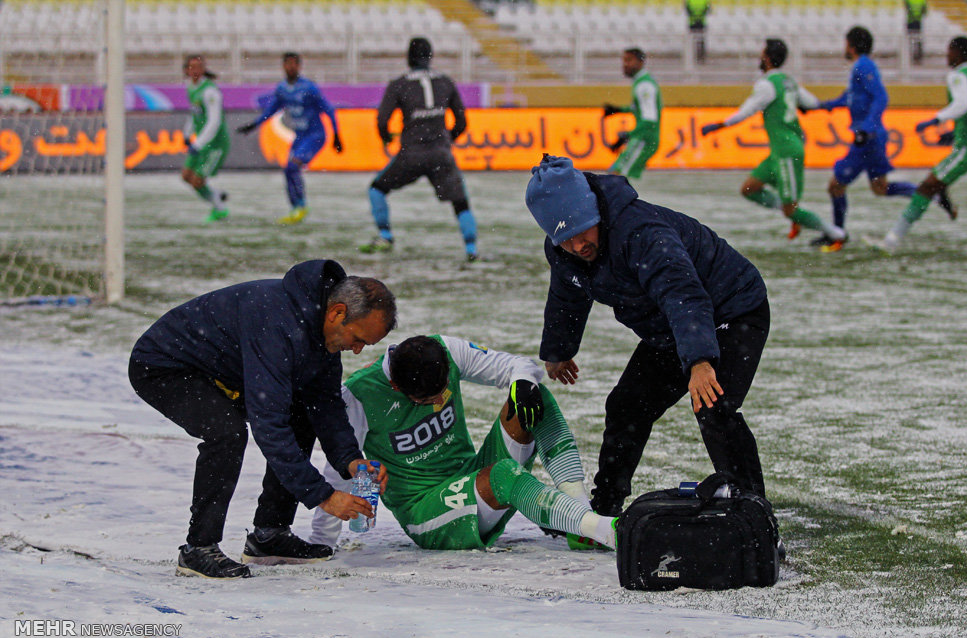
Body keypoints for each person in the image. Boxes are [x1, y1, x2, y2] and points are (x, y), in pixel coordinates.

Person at [525, 155, 771, 520]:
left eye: (582, 231)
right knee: (626, 405)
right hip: (671, 327)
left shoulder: (641, 232)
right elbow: (567, 295)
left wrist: (700, 361)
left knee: (713, 405)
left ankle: (753, 514)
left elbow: (682, 293)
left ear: (595, 211)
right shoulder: (564, 252)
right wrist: (559, 350)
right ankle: (605, 509)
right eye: (564, 239)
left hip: (733, 311)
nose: (577, 246)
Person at [129, 260, 396, 578]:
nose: (356, 351)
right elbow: (268, 423)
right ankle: (198, 549)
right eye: (358, 339)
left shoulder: (320, 329)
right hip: (165, 366)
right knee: (226, 433)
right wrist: (323, 496)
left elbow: (325, 402)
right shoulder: (277, 323)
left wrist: (351, 461)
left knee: (302, 411)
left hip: (224, 371)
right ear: (337, 312)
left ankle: (271, 534)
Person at [310, 335, 618, 551]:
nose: (436, 404)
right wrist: (322, 541)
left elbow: (520, 366)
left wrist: (523, 381)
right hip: (426, 510)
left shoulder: (446, 348)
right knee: (504, 475)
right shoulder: (357, 396)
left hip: (471, 475)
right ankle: (607, 532)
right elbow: (339, 468)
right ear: (396, 386)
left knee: (531, 396)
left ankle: (582, 518)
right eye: (425, 400)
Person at [815, 27, 954, 252]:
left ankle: (837, 234)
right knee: (880, 188)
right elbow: (849, 99)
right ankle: (930, 192)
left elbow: (881, 96)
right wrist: (820, 106)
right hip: (870, 139)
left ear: (851, 45)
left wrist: (867, 128)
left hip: (867, 140)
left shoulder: (864, 66)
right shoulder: (860, 67)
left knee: (836, 186)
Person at [702, 38, 845, 246]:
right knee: (750, 189)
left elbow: (747, 110)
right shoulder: (789, 81)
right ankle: (794, 215)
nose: (759, 57)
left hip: (787, 151)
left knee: (791, 209)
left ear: (767, 58)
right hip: (780, 151)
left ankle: (835, 234)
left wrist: (720, 125)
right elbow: (812, 103)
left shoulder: (766, 85)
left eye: (762, 53)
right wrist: (824, 105)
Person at [868, 36, 967, 253]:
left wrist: (935, 119)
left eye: (949, 51)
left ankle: (891, 241)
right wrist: (952, 131)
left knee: (927, 186)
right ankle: (946, 203)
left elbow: (962, 105)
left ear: (958, 53)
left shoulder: (957, 76)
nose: (946, 55)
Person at [361, 37, 479, 262]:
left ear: (408, 58)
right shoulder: (445, 81)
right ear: (430, 56)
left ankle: (385, 236)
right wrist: (446, 140)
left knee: (377, 189)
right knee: (460, 202)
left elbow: (381, 120)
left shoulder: (400, 84)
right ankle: (471, 248)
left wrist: (386, 138)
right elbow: (462, 121)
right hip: (440, 155)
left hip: (411, 154)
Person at [237, 53, 343, 225]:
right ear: (283, 66)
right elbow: (270, 111)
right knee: (288, 170)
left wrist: (337, 135)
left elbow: (329, 110)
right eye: (288, 64)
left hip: (315, 136)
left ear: (299, 66)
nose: (291, 67)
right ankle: (296, 208)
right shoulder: (282, 89)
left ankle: (301, 207)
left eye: (294, 64)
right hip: (300, 137)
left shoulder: (309, 88)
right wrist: (254, 125)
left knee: (293, 166)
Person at [181, 54, 230, 224]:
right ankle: (217, 196)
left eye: (199, 67)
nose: (195, 70)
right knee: (186, 176)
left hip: (215, 143)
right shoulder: (190, 87)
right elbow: (194, 114)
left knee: (197, 181)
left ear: (204, 69)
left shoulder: (210, 91)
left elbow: (214, 121)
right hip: (200, 143)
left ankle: (220, 209)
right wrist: (187, 134)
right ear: (186, 70)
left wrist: (198, 143)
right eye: (192, 67)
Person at [602, 48, 661, 180]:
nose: (625, 64)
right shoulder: (641, 82)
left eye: (629, 60)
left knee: (616, 177)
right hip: (642, 137)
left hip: (644, 139)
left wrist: (627, 136)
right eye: (623, 60)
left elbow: (649, 119)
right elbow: (639, 109)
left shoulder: (644, 85)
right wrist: (618, 110)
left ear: (640, 62)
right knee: (618, 176)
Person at [904, 0, 927, 64]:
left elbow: (907, 9)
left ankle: (909, 56)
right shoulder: (922, 1)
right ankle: (918, 56)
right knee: (918, 39)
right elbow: (925, 11)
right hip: (918, 22)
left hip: (910, 21)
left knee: (910, 39)